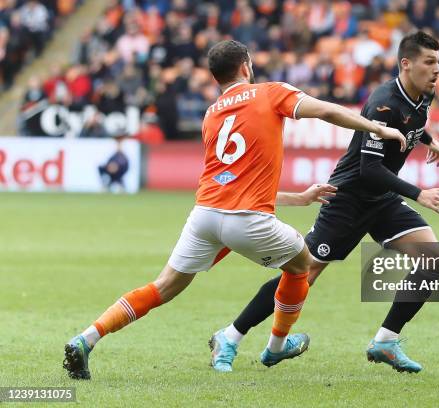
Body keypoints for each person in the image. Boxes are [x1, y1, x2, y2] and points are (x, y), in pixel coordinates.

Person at [62, 39, 408, 379]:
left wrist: (297, 198)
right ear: (246, 66)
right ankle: (277, 345)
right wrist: (376, 127)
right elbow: (329, 111)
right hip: (247, 220)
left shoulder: (211, 115)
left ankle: (86, 338)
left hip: (206, 216)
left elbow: (231, 181)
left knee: (162, 287)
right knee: (302, 266)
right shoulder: (270, 92)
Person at [211, 31, 439, 373]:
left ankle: (385, 342)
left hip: (381, 200)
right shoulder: (383, 103)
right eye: (429, 62)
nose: (437, 70)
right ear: (406, 64)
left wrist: (429, 140)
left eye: (438, 63)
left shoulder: (423, 94)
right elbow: (370, 170)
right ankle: (231, 335)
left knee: (433, 262)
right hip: (349, 198)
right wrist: (420, 193)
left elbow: (413, 122)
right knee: (302, 275)